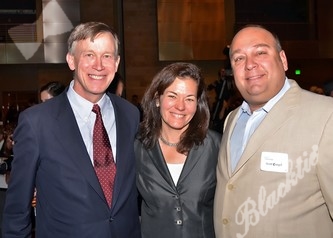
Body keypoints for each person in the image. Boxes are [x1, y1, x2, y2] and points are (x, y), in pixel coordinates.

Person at [3, 21, 141, 238]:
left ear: (116, 63)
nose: (98, 65)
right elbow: (17, 208)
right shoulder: (37, 122)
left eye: (107, 56)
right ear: (71, 61)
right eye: (89, 55)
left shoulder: (130, 115)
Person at [214, 25, 333, 238]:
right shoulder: (232, 120)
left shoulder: (326, 116)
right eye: (239, 58)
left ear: (283, 60)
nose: (250, 65)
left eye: (260, 52)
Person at [135, 62, 221, 238]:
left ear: (198, 104)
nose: (180, 106)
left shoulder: (215, 146)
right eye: (172, 96)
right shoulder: (138, 146)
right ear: (158, 99)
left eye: (189, 99)